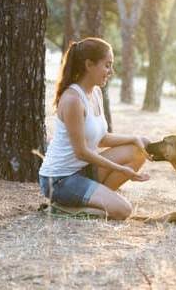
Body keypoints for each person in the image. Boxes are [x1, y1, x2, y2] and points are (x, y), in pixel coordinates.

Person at [39, 37, 150, 220]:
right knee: (123, 211)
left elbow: (101, 138)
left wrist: (134, 138)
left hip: (84, 170)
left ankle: (97, 198)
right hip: (59, 180)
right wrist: (122, 170)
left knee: (140, 147)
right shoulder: (73, 100)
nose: (110, 71)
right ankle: (63, 208)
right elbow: (81, 152)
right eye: (107, 65)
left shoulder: (96, 92)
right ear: (89, 65)